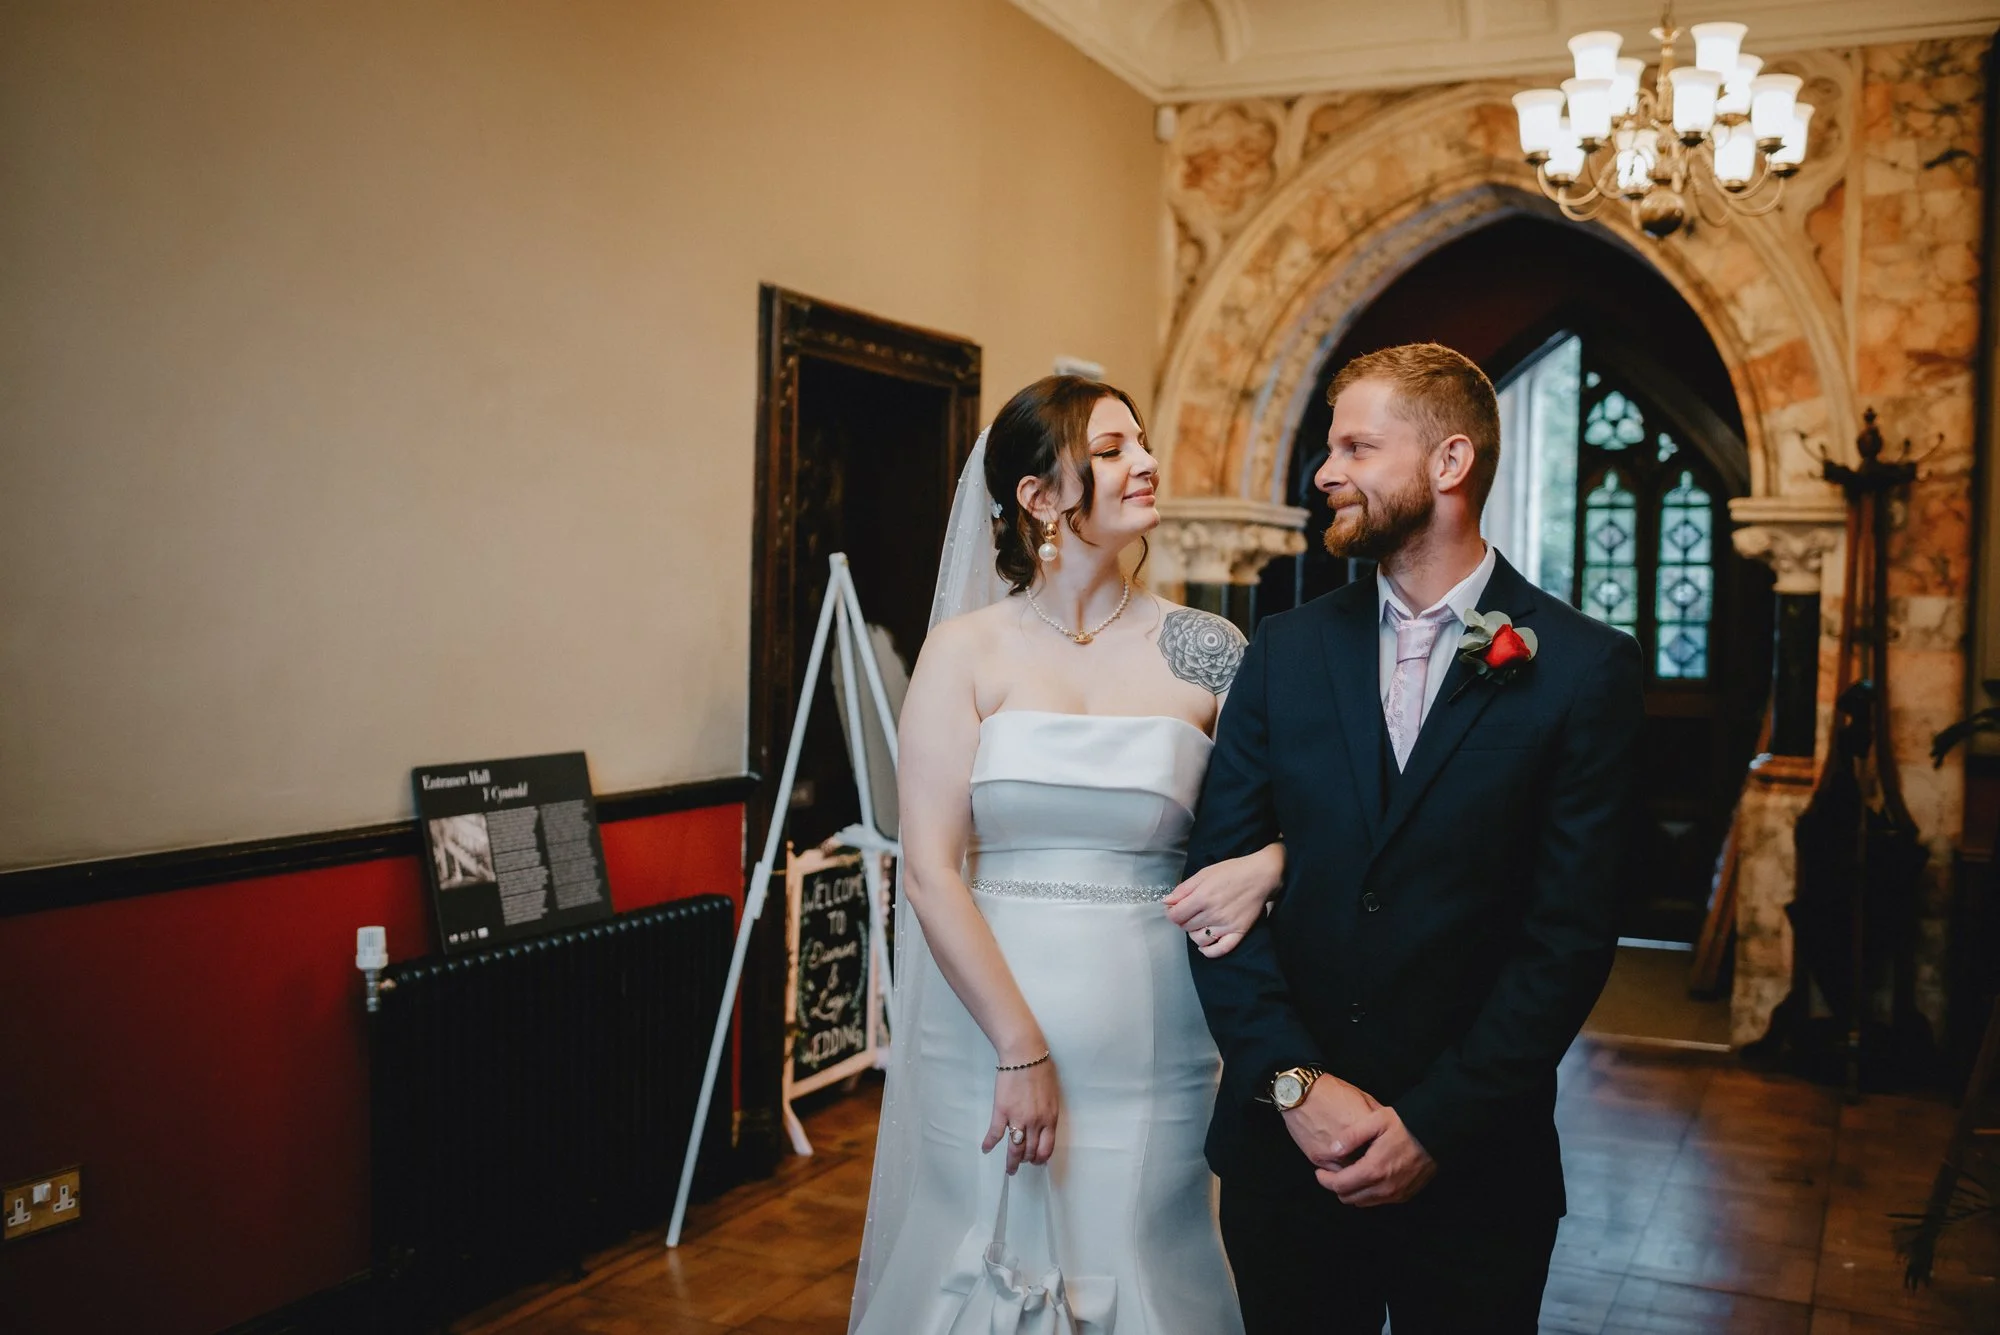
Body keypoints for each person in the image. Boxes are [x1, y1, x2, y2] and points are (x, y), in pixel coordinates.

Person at [1185, 342, 1645, 1335]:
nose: (1323, 473)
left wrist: (1433, 1123)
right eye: (1325, 447)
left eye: (1354, 444)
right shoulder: (1283, 653)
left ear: (1447, 463)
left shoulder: (1578, 669)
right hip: (1285, 1156)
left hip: (1476, 1168)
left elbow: (1566, 936)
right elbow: (1215, 892)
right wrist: (1292, 1083)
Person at [850, 375, 1279, 1334]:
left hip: (1155, 1025)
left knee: (1141, 1246)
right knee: (979, 1241)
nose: (1147, 463)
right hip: (986, 1019)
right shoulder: (964, 652)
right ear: (1041, 497)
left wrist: (1273, 863)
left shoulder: (1207, 648)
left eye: (1142, 442)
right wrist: (1019, 1045)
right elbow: (929, 869)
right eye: (1115, 447)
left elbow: (1289, 820)